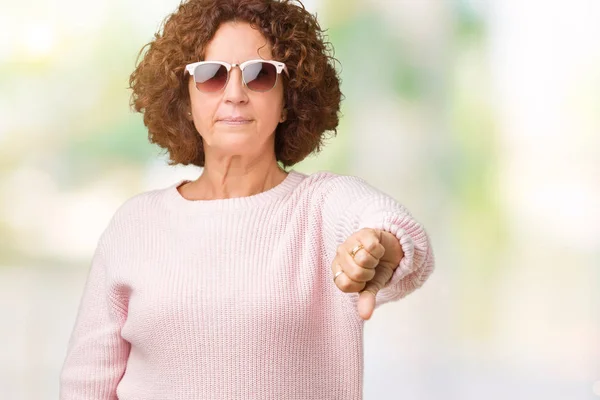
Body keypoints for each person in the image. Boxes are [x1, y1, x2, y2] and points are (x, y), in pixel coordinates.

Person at [59, 0, 435, 398]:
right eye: (211, 75)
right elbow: (86, 384)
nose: (235, 93)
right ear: (186, 99)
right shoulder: (135, 224)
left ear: (288, 100)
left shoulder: (323, 205)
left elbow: (393, 230)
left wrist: (379, 250)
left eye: (259, 75)